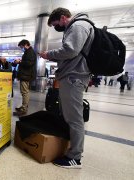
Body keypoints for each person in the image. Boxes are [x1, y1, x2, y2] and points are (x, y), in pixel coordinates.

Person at [39, 7, 94, 169]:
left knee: (74, 118)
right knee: (70, 116)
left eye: (56, 24)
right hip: (73, 76)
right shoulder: (78, 26)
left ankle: (75, 158)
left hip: (74, 77)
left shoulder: (78, 26)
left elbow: (70, 50)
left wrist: (48, 54)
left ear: (63, 18)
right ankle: (71, 149)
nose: (57, 28)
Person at [14, 39, 36, 115]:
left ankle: (24, 109)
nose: (21, 48)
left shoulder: (30, 52)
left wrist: (20, 62)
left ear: (26, 44)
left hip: (26, 75)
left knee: (25, 92)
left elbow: (29, 63)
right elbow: (28, 62)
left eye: (21, 46)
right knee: (24, 92)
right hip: (25, 75)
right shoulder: (28, 52)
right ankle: (24, 106)